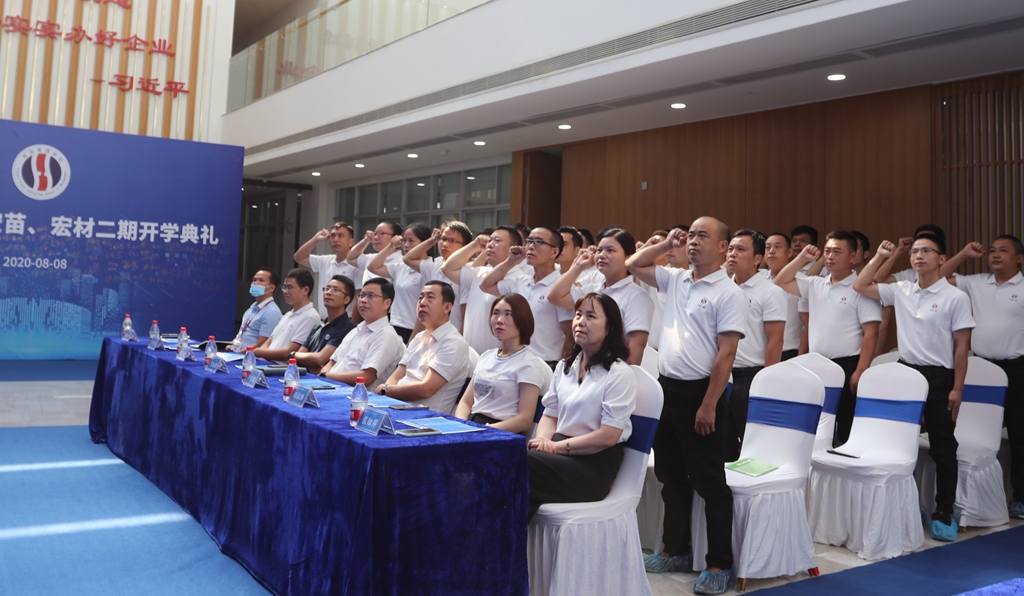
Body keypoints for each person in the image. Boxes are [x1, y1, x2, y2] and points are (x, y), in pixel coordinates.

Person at [627, 217, 745, 594]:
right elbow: (633, 264)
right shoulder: (677, 279)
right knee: (671, 475)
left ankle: (719, 563)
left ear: (723, 247)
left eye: (702, 236)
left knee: (709, 481)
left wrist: (709, 404)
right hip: (668, 390)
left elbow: (727, 354)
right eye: (690, 235)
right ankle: (676, 550)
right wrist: (666, 244)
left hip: (702, 394)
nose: (693, 241)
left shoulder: (728, 292)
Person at [854, 236, 974, 542]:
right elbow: (861, 284)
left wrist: (958, 388)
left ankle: (943, 510)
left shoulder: (955, 297)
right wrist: (885, 255)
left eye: (926, 251)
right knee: (900, 443)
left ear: (941, 258)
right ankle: (908, 505)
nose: (919, 256)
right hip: (906, 373)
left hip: (940, 376)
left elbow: (961, 347)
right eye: (915, 251)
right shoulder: (902, 289)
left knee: (943, 446)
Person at [526, 292, 636, 518]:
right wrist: (544, 441)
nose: (580, 322)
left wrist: (554, 448)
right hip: (558, 455)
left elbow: (608, 436)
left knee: (519, 464)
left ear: (610, 328)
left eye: (591, 316)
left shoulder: (619, 373)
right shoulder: (565, 367)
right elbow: (550, 415)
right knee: (514, 481)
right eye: (578, 315)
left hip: (592, 466)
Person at [939, 235, 1024, 519]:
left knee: (1019, 432)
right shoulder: (976, 282)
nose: (996, 254)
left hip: (1017, 368)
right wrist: (964, 254)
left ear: (1019, 258)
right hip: (979, 367)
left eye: (1004, 251)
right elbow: (939, 277)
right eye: (993, 250)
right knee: (970, 428)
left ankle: (1020, 498)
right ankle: (969, 498)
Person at [774, 231, 881, 447]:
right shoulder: (815, 283)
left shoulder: (861, 288)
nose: (830, 257)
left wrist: (861, 369)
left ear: (852, 256)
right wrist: (802, 258)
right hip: (816, 364)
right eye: (827, 251)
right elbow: (781, 280)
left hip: (847, 364)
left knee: (845, 424)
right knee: (814, 423)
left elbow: (871, 333)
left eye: (837, 252)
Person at [549, 228, 654, 366]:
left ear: (628, 257)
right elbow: (555, 296)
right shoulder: (592, 289)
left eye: (610, 250)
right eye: (599, 250)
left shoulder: (636, 296)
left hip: (613, 370)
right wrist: (578, 267)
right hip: (585, 366)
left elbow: (636, 348)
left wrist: (618, 375)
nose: (602, 255)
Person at [725, 230, 786, 461]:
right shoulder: (721, 287)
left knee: (754, 445)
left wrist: (766, 382)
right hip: (721, 374)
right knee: (723, 444)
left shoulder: (770, 291)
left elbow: (775, 341)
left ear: (758, 258)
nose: (732, 254)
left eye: (740, 249)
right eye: (731, 248)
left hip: (751, 376)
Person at [455, 293, 551, 435]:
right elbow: (466, 402)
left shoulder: (529, 364)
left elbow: (525, 420)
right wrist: (461, 425)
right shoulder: (486, 356)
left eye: (508, 314)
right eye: (496, 313)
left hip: (500, 432)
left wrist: (484, 430)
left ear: (523, 320)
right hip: (472, 425)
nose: (499, 320)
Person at [482, 226, 573, 366]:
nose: (531, 246)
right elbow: (486, 285)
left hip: (546, 363)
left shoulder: (560, 289)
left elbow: (569, 334)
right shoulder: (521, 282)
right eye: (529, 241)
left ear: (554, 252)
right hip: (514, 359)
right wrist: (511, 261)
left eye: (539, 242)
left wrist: (560, 367)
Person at [377, 281, 472, 414]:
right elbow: (396, 376)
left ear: (447, 307)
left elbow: (426, 389)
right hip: (396, 406)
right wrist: (387, 393)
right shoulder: (418, 337)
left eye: (430, 298)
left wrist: (385, 390)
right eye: (420, 298)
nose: (422, 303)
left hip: (424, 417)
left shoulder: (454, 343)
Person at [441, 225, 529, 355]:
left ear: (514, 248)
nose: (490, 245)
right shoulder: (480, 272)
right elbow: (447, 268)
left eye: (497, 241)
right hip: (470, 357)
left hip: (499, 358)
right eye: (490, 240)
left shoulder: (519, 280)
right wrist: (475, 245)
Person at [323, 277, 405, 391]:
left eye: (371, 296)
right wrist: (321, 379)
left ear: (387, 303)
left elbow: (367, 377)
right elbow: (332, 363)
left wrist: (326, 376)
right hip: (331, 388)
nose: (363, 300)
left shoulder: (387, 335)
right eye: (361, 295)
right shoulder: (355, 330)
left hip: (355, 396)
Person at [366, 223, 432, 343]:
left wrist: (411, 341)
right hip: (394, 325)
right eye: (404, 240)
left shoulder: (430, 269)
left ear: (425, 243)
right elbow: (372, 267)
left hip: (415, 330)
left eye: (411, 241)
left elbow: (426, 308)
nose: (406, 245)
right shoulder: (401, 267)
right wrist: (391, 246)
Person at [403, 221, 472, 334]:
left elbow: (466, 316)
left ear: (465, 246)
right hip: (431, 335)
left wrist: (459, 340)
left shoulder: (467, 272)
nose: (445, 244)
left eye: (452, 241)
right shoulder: (435, 267)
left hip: (452, 336)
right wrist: (432, 240)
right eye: (443, 239)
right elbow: (407, 259)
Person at [253, 268, 322, 364]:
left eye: (290, 287)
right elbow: (268, 342)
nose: (285, 291)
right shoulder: (287, 314)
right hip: (266, 363)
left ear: (305, 290)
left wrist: (258, 352)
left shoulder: (310, 316)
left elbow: (290, 352)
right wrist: (262, 356)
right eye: (284, 287)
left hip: (281, 368)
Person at [290, 275, 356, 375]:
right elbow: (298, 357)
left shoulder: (347, 327)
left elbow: (320, 359)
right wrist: (297, 357)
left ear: (346, 300)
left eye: (336, 290)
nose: (328, 292)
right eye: (327, 288)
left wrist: (292, 354)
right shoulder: (318, 325)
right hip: (305, 376)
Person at [293, 222, 360, 319]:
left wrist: (353, 322)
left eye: (340, 236)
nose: (335, 240)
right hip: (324, 320)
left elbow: (359, 296)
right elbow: (298, 257)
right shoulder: (325, 261)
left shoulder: (356, 265)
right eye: (332, 236)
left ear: (351, 242)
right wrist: (315, 239)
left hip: (346, 320)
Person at [762, 234, 803, 361]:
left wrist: (801, 357)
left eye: (777, 247)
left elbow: (808, 324)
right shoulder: (757, 278)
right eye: (767, 247)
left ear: (789, 252)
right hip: (759, 352)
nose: (771, 251)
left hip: (789, 351)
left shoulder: (802, 282)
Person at [231, 268, 282, 352]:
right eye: (254, 280)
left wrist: (238, 353)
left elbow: (261, 344)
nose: (256, 283)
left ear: (272, 288)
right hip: (238, 353)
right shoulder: (252, 309)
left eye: (261, 280)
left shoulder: (271, 312)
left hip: (250, 357)